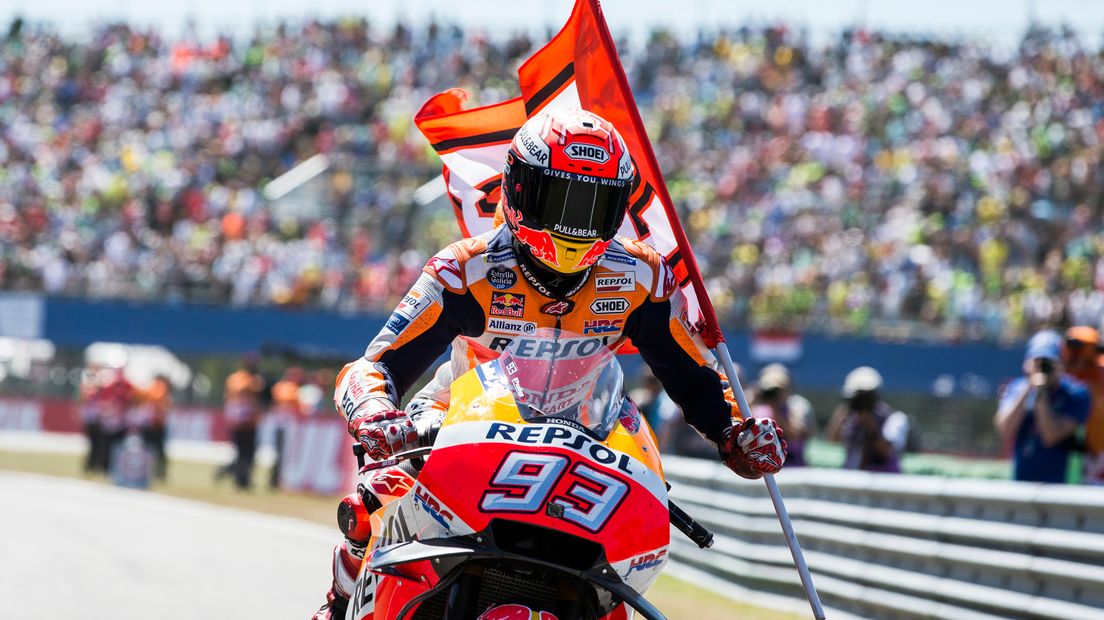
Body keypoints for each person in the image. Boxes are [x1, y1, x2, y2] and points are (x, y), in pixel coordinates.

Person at [312, 109, 788, 619]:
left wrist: (734, 433)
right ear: (520, 190)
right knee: (377, 496)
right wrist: (375, 410)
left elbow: (691, 374)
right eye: (560, 198)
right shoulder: (464, 269)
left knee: (618, 585)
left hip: (593, 432)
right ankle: (340, 604)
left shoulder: (641, 277)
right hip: (458, 416)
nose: (574, 222)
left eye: (593, 205)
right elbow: (375, 365)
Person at [994, 330, 1090, 483]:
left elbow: (1050, 436)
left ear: (1060, 363)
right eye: (1037, 361)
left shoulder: (1076, 393)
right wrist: (1028, 387)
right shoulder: (1016, 388)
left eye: (1047, 362)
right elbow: (1004, 430)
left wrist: (1041, 393)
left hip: (1061, 485)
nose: (1042, 367)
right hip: (1020, 482)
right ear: (1027, 363)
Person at [826, 366, 910, 473]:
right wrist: (846, 406)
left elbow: (886, 451)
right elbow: (832, 439)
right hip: (851, 482)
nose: (863, 402)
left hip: (885, 484)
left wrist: (870, 426)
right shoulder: (851, 419)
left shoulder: (895, 419)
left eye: (867, 398)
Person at [750, 364, 816, 467]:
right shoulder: (758, 409)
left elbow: (796, 435)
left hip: (793, 468)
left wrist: (775, 409)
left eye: (776, 390)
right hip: (765, 467)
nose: (773, 394)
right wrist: (752, 399)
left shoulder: (797, 405)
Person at [1061, 326, 1104, 485]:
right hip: (1076, 453)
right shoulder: (1065, 374)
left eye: (1078, 348)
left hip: (1098, 454)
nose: (1074, 353)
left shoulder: (1099, 371)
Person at [219, 355, 265, 490]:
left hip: (251, 422)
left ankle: (245, 479)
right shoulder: (238, 379)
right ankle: (239, 480)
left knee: (250, 453)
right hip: (239, 421)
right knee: (241, 452)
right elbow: (239, 391)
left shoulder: (256, 379)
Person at [269, 366, 304, 489]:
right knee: (281, 453)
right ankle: (275, 480)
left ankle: (277, 479)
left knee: (282, 454)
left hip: (287, 425)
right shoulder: (289, 389)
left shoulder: (285, 388)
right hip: (284, 425)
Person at [136, 374, 173, 481]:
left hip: (155, 424)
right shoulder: (154, 389)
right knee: (149, 450)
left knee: (155, 450)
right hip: (151, 424)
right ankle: (148, 472)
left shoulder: (154, 389)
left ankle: (157, 473)